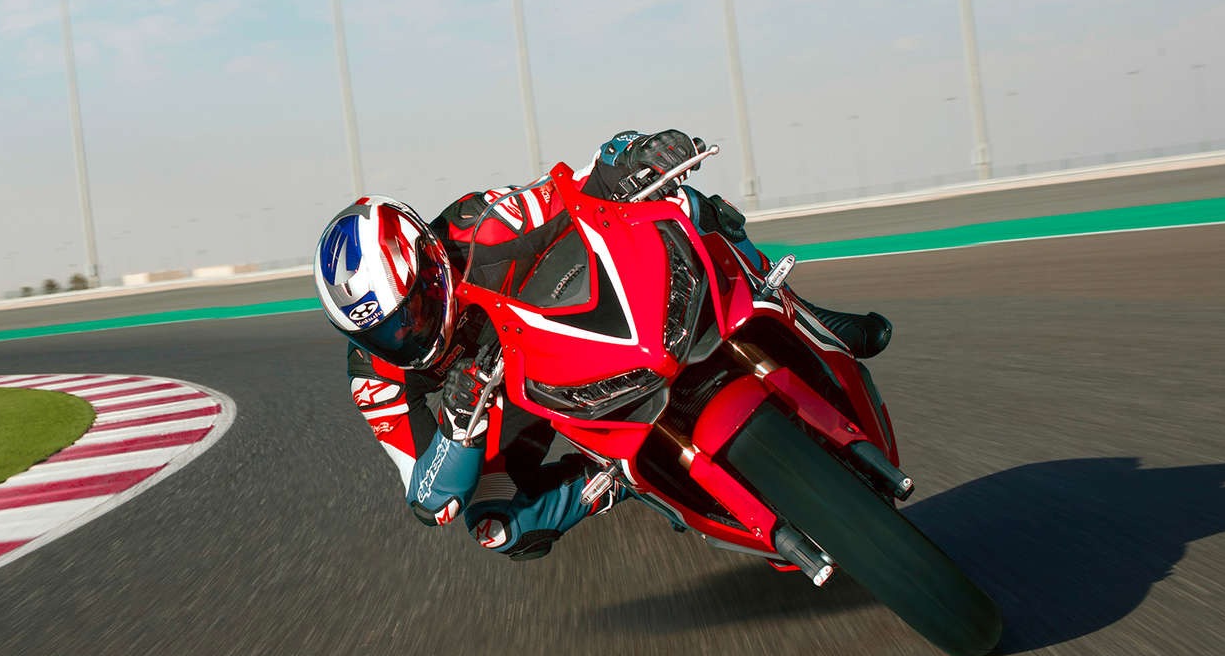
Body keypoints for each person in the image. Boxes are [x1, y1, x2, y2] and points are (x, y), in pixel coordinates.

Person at [314, 130, 892, 560]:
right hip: (509, 398)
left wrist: (629, 158)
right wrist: (459, 423)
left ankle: (796, 308)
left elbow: (568, 189)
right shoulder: (373, 373)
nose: (405, 335)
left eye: (410, 309)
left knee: (685, 206)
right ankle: (609, 480)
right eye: (382, 331)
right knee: (495, 526)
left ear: (429, 260)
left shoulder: (478, 225)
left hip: (556, 321)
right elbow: (428, 497)